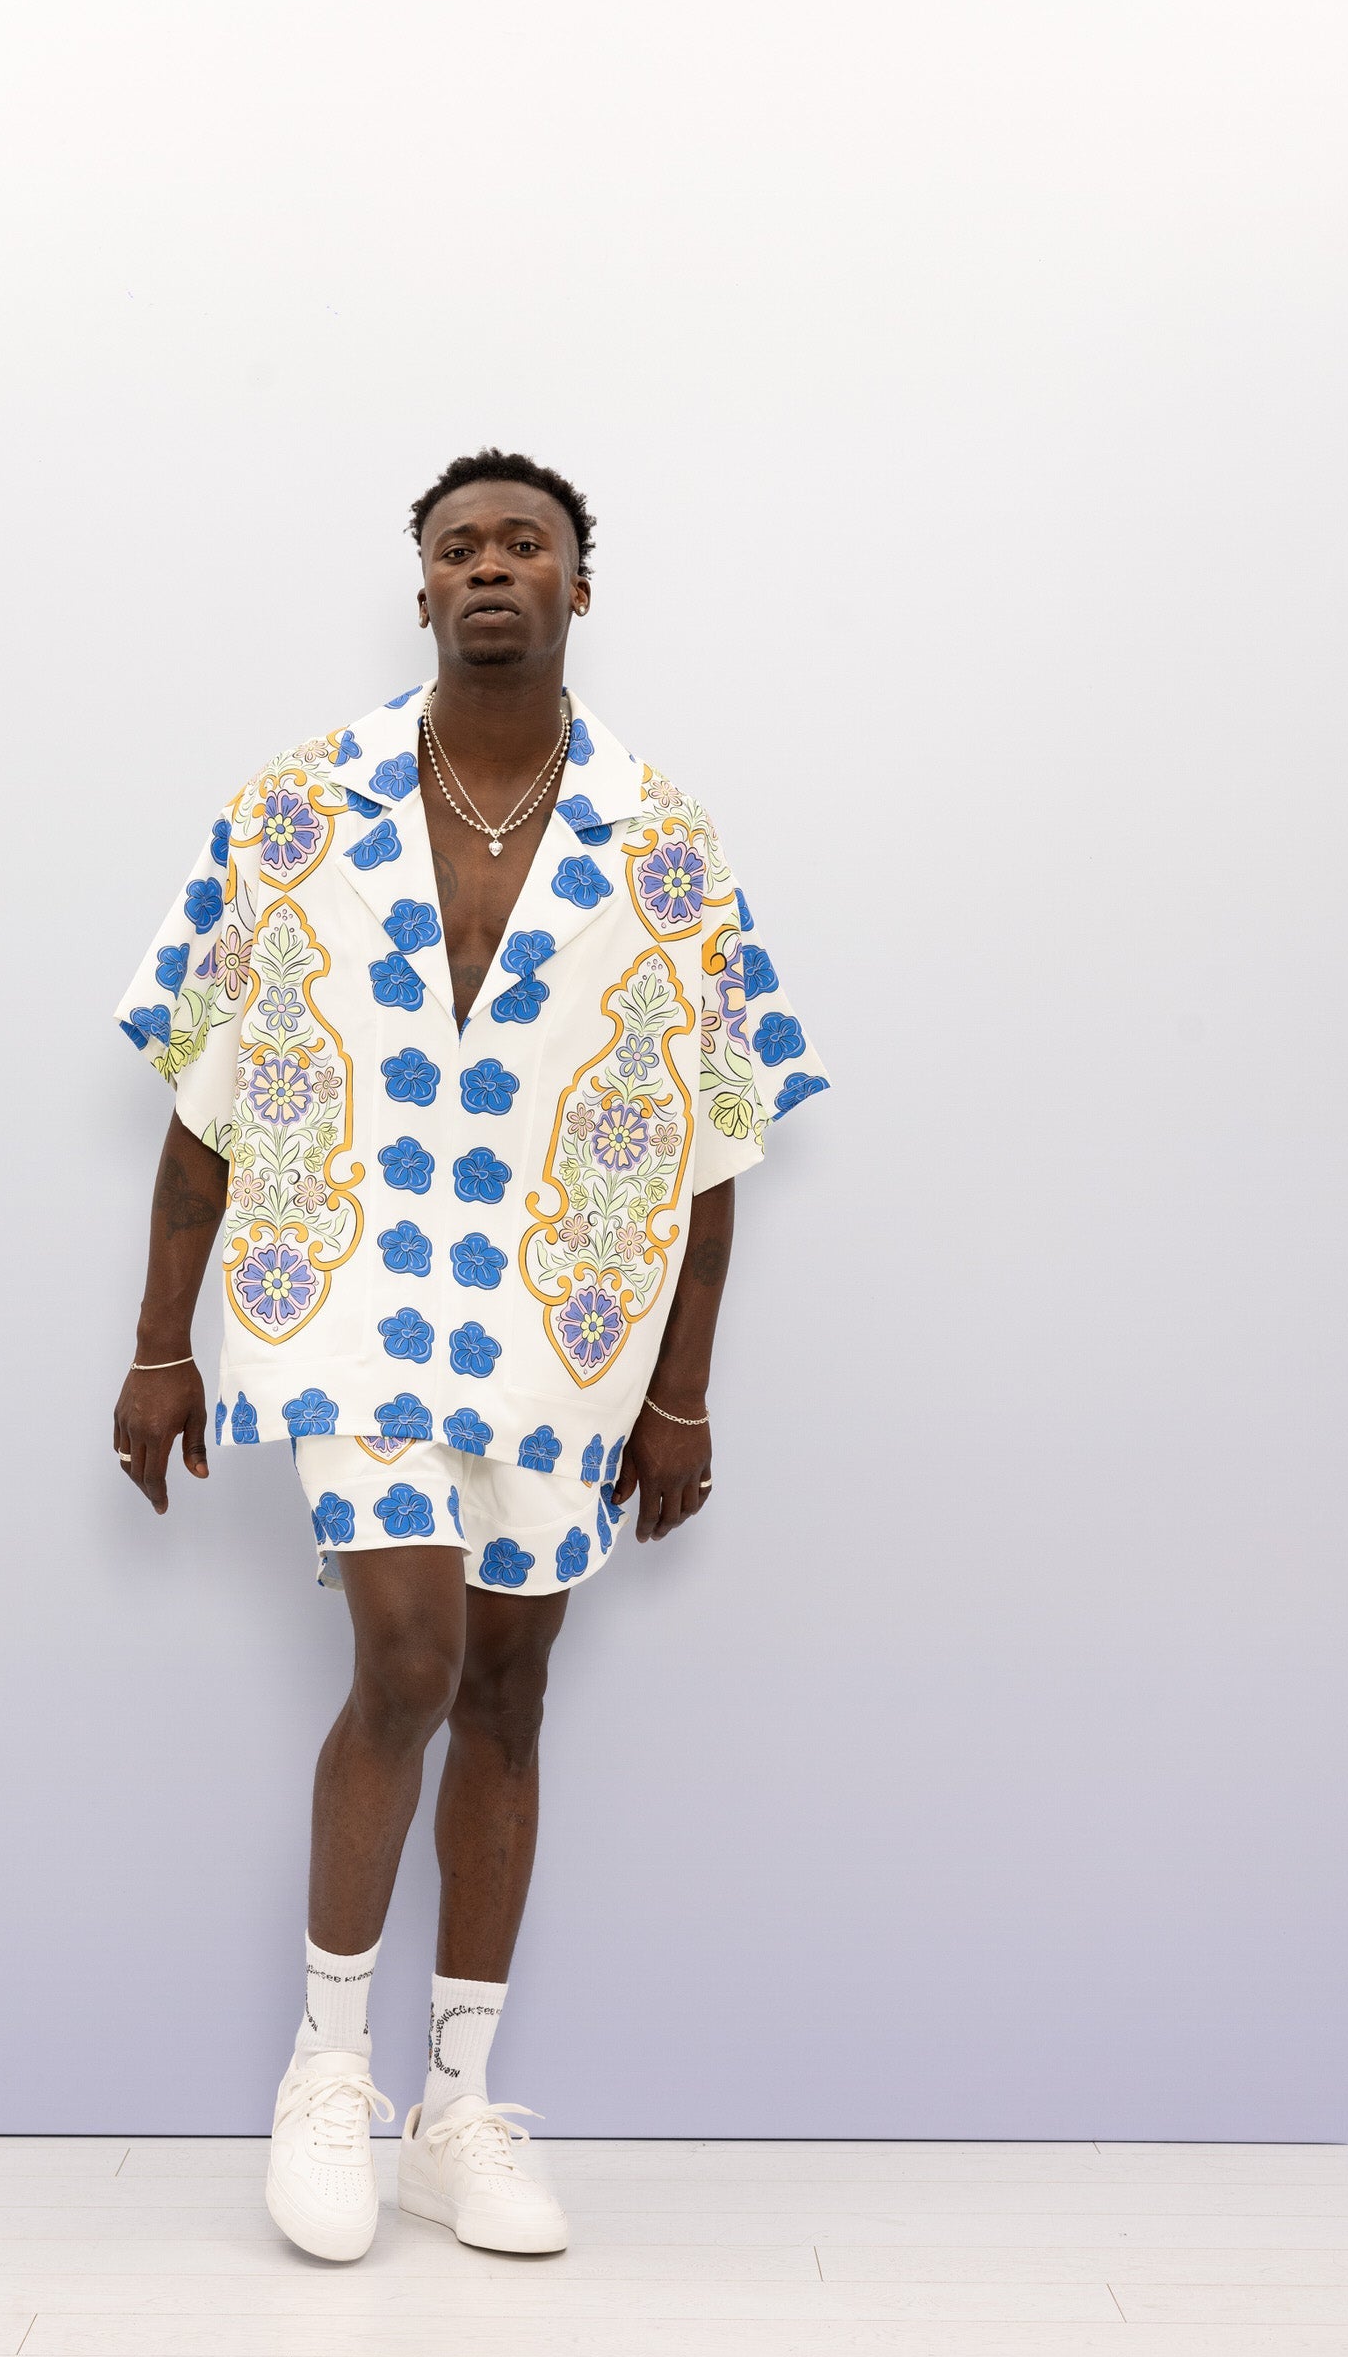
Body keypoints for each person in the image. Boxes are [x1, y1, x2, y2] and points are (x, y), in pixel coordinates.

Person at [113, 449, 826, 2261]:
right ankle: (325, 2074)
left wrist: (683, 1393)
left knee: (509, 1691)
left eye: (527, 544)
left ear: (580, 586)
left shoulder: (664, 839)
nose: (491, 566)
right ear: (420, 585)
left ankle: (457, 2109)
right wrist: (157, 1346)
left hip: (566, 1323)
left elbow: (708, 1146)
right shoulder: (296, 809)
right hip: (343, 1290)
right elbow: (204, 1100)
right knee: (411, 1657)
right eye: (459, 546)